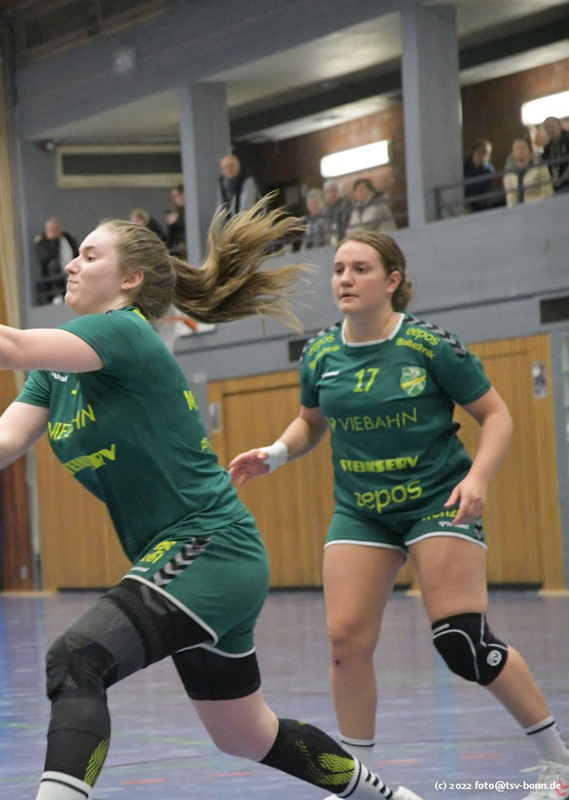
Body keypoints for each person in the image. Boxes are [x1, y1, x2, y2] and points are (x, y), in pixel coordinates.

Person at [0, 197, 423, 800]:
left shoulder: (124, 332)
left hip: (209, 545)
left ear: (130, 280)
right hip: (190, 558)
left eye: (90, 256)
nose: (72, 264)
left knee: (77, 659)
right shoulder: (58, 372)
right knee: (246, 734)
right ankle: (391, 798)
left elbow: (7, 347)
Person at [228, 230, 569, 800]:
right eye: (339, 269)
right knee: (345, 642)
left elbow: (498, 415)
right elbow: (311, 421)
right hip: (362, 510)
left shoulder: (429, 346)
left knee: (462, 641)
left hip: (435, 499)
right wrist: (277, 452)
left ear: (391, 281)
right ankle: (358, 784)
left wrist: (478, 478)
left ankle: (557, 761)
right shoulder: (320, 353)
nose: (345, 279)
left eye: (360, 269)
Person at [34, 217, 78, 305]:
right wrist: (54, 240)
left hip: (71, 268)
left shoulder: (68, 237)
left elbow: (75, 251)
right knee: (53, 265)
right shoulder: (42, 241)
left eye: (56, 228)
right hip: (54, 276)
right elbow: (46, 258)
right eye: (52, 229)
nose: (55, 231)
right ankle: (58, 294)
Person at [504, 137, 555, 206]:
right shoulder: (508, 176)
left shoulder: (540, 168)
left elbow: (548, 192)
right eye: (517, 148)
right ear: (512, 154)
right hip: (520, 209)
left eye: (523, 147)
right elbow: (511, 200)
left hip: (540, 205)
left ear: (529, 151)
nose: (520, 151)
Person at [462, 139, 501, 212]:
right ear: (473, 152)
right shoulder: (463, 166)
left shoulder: (489, 171)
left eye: (486, 153)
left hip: (478, 204)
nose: (482, 156)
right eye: (480, 152)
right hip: (462, 201)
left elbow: (484, 191)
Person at [541, 117, 569, 194]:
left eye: (552, 126)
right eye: (546, 128)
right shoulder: (547, 148)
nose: (549, 130)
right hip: (555, 186)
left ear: (559, 125)